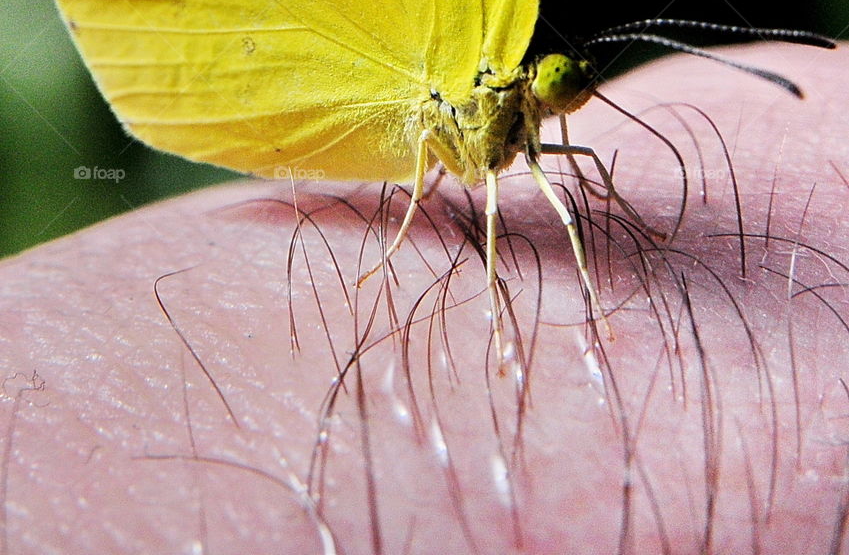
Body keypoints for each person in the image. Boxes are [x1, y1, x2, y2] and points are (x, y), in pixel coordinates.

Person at [2, 43, 846, 554]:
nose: (571, 90)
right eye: (562, 78)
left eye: (575, 83)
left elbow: (563, 173)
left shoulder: (536, 120)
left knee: (571, 174)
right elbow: (456, 156)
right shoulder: (488, 95)